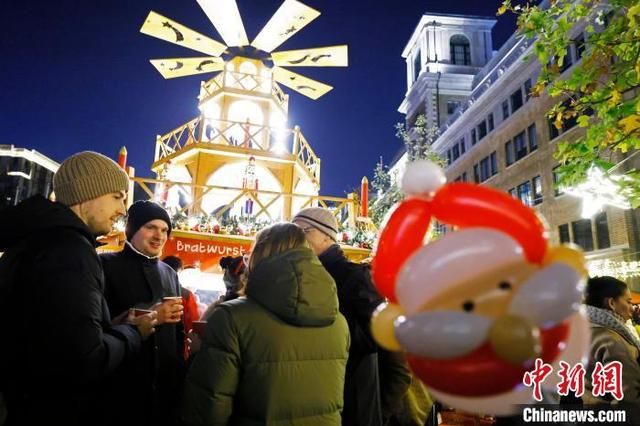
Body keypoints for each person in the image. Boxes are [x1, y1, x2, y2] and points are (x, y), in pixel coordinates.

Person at [0, 151, 157, 426]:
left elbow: (50, 336)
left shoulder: (35, 241)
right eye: (117, 197)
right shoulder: (70, 251)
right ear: (88, 194)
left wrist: (112, 325)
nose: (122, 209)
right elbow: (82, 361)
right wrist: (133, 332)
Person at [182, 223, 349, 425]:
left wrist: (199, 353)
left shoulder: (232, 317)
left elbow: (209, 408)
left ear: (259, 256)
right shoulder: (338, 322)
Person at [292, 207, 411, 426]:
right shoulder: (300, 275)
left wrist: (378, 412)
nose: (297, 240)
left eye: (304, 232)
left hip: (352, 403)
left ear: (327, 235)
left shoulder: (354, 277)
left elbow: (385, 349)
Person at [101, 201, 186, 425]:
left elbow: (177, 332)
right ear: (132, 229)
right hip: (119, 389)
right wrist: (149, 315)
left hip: (163, 395)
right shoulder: (105, 265)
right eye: (151, 227)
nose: (159, 235)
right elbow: (95, 329)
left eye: (165, 230)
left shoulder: (169, 273)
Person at [583, 276, 640, 404]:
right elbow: (629, 398)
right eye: (628, 301)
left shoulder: (586, 331)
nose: (632, 308)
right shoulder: (611, 340)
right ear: (611, 303)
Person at [162, 255, 201, 359]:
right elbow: (192, 324)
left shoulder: (152, 289)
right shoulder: (186, 294)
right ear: (179, 271)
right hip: (177, 344)